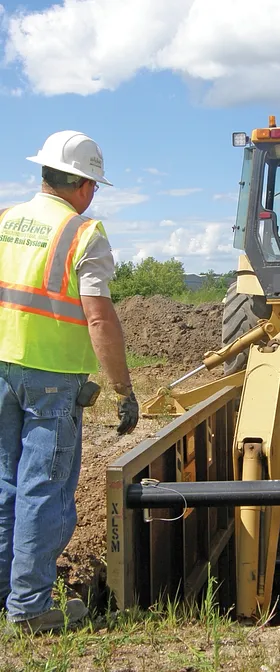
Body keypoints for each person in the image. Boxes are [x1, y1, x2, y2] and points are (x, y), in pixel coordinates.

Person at [0, 131, 139, 633]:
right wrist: (124, 390)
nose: (93, 195)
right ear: (82, 184)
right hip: (52, 382)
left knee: (6, 485)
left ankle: (6, 594)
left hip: (2, 370)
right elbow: (99, 319)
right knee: (43, 491)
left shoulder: (6, 220)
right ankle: (32, 608)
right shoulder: (82, 233)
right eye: (94, 185)